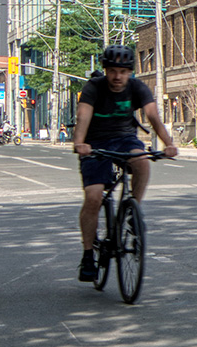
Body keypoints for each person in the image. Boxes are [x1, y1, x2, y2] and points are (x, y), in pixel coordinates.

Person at [74, 46, 178, 283]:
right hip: (95, 142)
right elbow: (83, 116)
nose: (117, 77)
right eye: (112, 71)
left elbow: (153, 117)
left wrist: (168, 144)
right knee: (94, 196)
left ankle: (133, 211)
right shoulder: (94, 88)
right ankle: (88, 254)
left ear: (130, 72)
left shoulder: (137, 88)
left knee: (142, 161)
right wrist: (80, 142)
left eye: (123, 71)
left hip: (125, 139)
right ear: (106, 71)